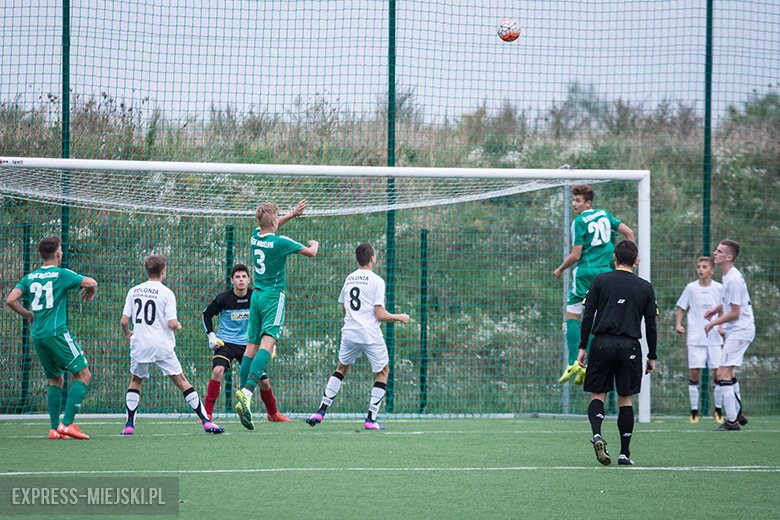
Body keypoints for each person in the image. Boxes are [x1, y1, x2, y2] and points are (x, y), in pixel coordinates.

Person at [306, 243, 410, 430]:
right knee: (383, 372)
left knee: (341, 369)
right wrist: (399, 317)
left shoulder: (350, 278)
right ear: (372, 258)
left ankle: (320, 411)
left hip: (350, 333)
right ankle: (371, 419)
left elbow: (345, 307)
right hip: (370, 334)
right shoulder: (377, 280)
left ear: (358, 259)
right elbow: (380, 315)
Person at [234, 200, 318, 430]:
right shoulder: (281, 242)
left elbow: (270, 225)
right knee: (267, 345)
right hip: (273, 297)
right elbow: (310, 253)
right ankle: (248, 394)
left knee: (250, 347)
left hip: (256, 297)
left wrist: (291, 215)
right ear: (273, 221)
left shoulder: (255, 236)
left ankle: (243, 394)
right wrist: (315, 243)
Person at [120, 254, 224, 435]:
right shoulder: (166, 293)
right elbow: (171, 323)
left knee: (135, 381)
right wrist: (179, 326)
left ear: (147, 270)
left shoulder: (134, 290)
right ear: (163, 271)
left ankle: (129, 425)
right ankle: (206, 421)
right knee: (181, 381)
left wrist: (128, 334)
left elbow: (123, 321)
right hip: (161, 345)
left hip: (140, 344)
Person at [6, 236, 97, 440]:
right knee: (84, 375)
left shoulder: (29, 277)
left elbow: (10, 300)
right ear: (58, 253)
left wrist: (28, 314)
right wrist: (92, 290)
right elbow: (91, 281)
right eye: (61, 250)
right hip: (57, 333)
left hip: (38, 336)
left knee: (56, 378)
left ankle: (55, 429)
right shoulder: (62, 274)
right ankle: (67, 424)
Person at [577, 240, 657, 466]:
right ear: (636, 261)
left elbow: (587, 315)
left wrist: (583, 346)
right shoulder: (645, 287)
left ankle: (597, 434)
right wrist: (652, 355)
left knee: (598, 395)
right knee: (626, 400)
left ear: (614, 258)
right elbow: (651, 325)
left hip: (602, 343)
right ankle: (624, 453)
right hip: (630, 346)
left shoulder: (600, 280)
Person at [553, 184, 635, 386]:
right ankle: (588, 360)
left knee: (573, 314)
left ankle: (575, 362)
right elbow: (629, 233)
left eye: (578, 200)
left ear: (588, 202)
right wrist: (631, 258)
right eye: (573, 200)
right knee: (597, 317)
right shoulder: (605, 214)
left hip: (585, 272)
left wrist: (560, 269)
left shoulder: (579, 222)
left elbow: (576, 255)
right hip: (606, 273)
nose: (574, 203)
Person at [201, 263, 291, 422]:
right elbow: (206, 314)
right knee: (217, 371)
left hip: (250, 344)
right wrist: (211, 336)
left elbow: (267, 321)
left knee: (263, 381)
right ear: (232, 281)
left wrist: (270, 344)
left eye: (244, 277)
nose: (241, 280)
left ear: (249, 280)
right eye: (237, 277)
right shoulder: (223, 299)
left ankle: (273, 414)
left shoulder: (255, 298)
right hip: (226, 344)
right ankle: (206, 415)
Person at [704, 240, 755, 431]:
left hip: (741, 330)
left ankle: (732, 421)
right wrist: (716, 310)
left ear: (729, 257)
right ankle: (738, 413)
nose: (714, 253)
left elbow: (735, 313)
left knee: (722, 373)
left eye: (719, 251)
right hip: (738, 330)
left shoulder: (733, 279)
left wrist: (713, 323)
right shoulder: (728, 276)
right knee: (729, 373)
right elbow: (731, 304)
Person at [675, 256, 724, 424]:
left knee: (718, 373)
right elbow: (681, 308)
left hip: (715, 338)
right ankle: (694, 412)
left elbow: (724, 308)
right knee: (694, 373)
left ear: (712, 270)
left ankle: (718, 411)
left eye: (704, 267)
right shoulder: (691, 288)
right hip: (695, 337)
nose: (700, 269)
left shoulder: (719, 288)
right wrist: (679, 324)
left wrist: (722, 326)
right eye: (698, 267)